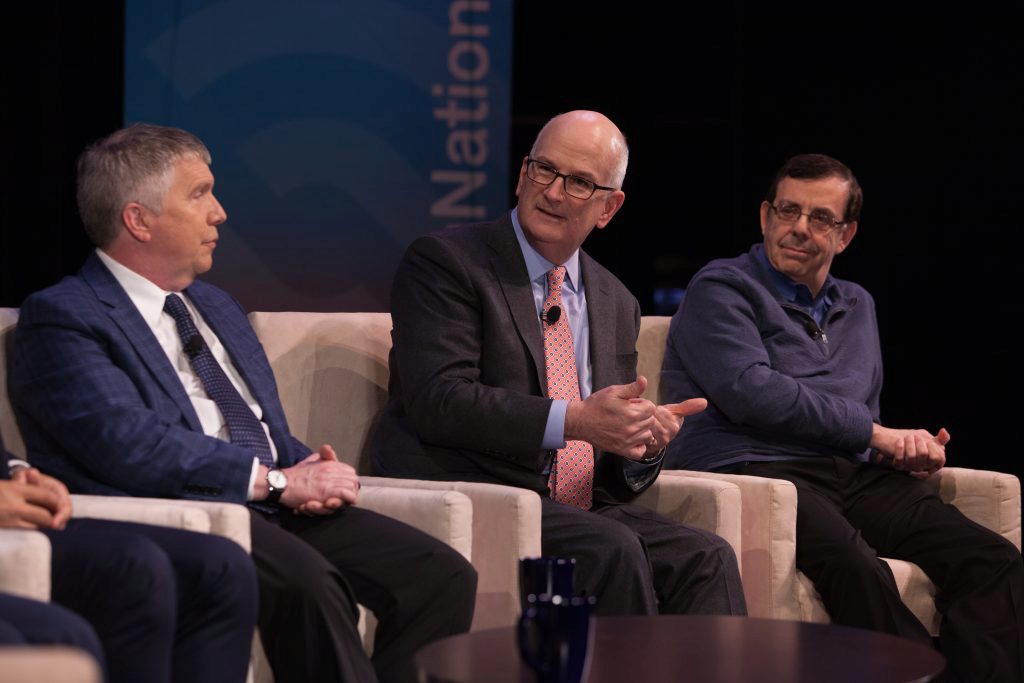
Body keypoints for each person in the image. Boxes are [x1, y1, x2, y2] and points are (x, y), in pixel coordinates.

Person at [9, 123, 476, 683]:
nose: (220, 213)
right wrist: (275, 482)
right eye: (199, 194)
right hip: (186, 510)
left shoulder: (216, 306)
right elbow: (128, 445)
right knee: (310, 585)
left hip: (272, 501)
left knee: (441, 574)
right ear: (138, 219)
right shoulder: (66, 315)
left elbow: (259, 428)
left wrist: (308, 468)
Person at [661, 153, 1023, 681]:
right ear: (765, 216)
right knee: (858, 570)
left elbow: (855, 405)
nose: (800, 228)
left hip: (845, 473)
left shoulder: (857, 303)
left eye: (820, 218)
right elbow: (753, 392)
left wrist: (897, 451)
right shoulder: (721, 288)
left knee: (992, 558)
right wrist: (875, 434)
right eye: (788, 211)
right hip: (755, 470)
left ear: (846, 234)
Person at [372, 110, 746, 617]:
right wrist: (577, 421)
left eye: (578, 182)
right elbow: (440, 400)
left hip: (577, 505)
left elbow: (609, 472)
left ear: (609, 207)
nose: (551, 191)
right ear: (523, 172)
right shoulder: (446, 262)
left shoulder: (616, 301)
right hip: (475, 489)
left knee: (707, 556)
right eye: (543, 170)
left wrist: (641, 443)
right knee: (612, 548)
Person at [0, 430, 257, 683]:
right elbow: (118, 438)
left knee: (221, 567)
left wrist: (18, 471)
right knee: (132, 571)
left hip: (24, 508)